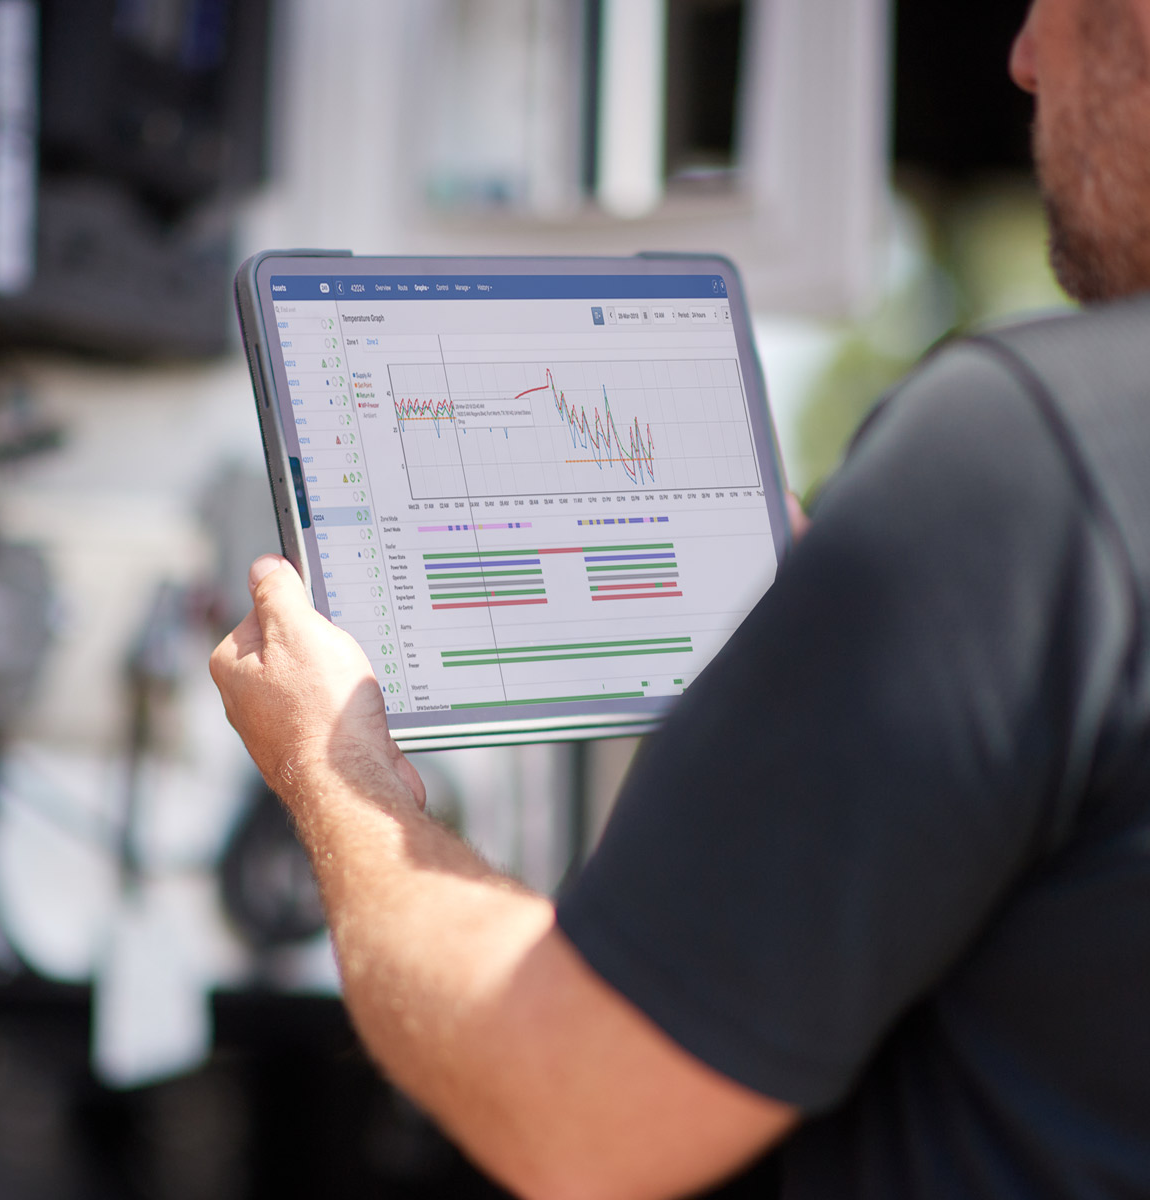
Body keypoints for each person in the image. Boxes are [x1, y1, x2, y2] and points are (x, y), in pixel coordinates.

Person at [210, 1, 1150, 1195]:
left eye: (1053, 11)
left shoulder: (1026, 455)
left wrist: (340, 774)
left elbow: (568, 1111)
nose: (1018, 57)